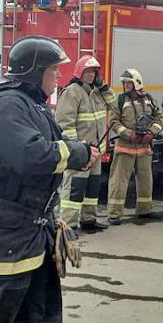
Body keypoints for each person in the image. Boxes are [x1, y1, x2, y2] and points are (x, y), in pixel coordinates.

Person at [0, 35, 99, 323]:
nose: (58, 75)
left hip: (29, 227)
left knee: (38, 311)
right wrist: (77, 154)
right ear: (36, 71)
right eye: (53, 70)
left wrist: (81, 154)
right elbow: (31, 156)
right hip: (6, 229)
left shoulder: (32, 105)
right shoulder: (7, 105)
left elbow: (54, 149)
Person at [55, 55, 116, 232]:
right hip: (80, 151)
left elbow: (114, 107)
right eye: (88, 71)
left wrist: (104, 87)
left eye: (93, 72)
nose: (90, 75)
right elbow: (65, 124)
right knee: (75, 186)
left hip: (95, 151)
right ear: (79, 72)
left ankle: (89, 219)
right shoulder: (72, 92)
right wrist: (75, 148)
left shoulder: (97, 92)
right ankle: (68, 223)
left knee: (92, 187)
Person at [107, 69, 163, 225]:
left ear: (137, 83)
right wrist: (128, 134)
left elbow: (159, 118)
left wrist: (151, 133)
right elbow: (113, 122)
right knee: (119, 181)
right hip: (125, 147)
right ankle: (114, 214)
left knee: (146, 180)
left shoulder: (149, 99)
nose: (125, 85)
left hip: (144, 147)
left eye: (128, 82)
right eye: (124, 83)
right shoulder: (120, 100)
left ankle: (145, 210)